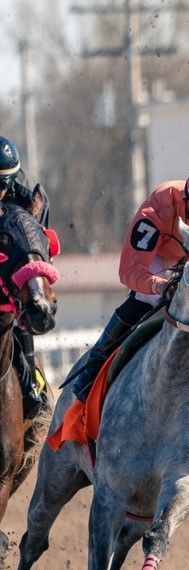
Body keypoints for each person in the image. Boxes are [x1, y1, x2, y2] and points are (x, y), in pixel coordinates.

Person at [65, 163, 189, 440]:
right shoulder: (159, 208)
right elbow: (130, 271)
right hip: (161, 259)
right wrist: (162, 286)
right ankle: (90, 373)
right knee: (145, 297)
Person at [0, 135, 51, 418]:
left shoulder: (27, 196)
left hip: (11, 273)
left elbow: (39, 248)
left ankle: (32, 385)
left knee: (22, 316)